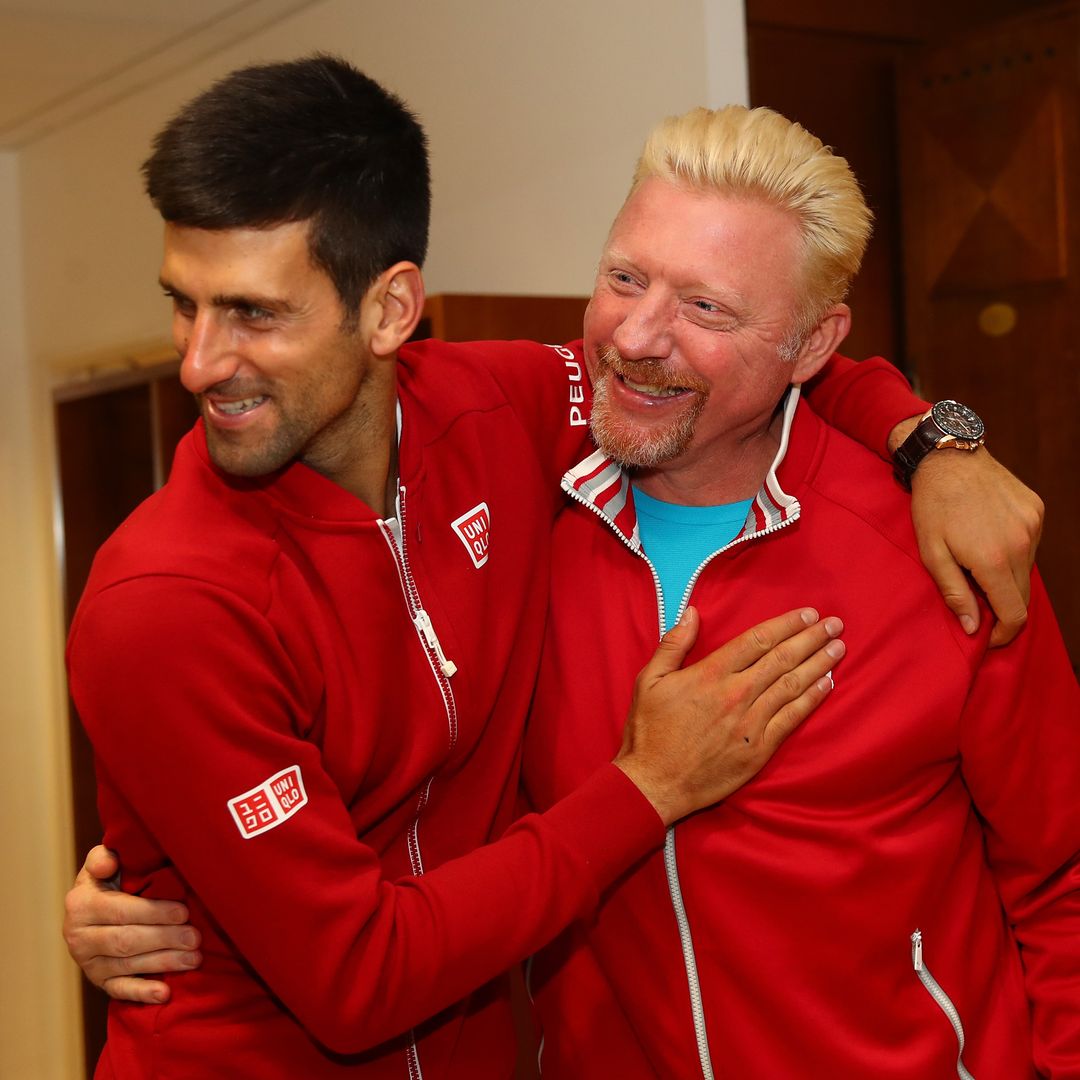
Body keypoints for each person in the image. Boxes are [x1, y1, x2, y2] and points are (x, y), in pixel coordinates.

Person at [61, 58, 1046, 1077]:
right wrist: (649, 784)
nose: (198, 362)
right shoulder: (162, 607)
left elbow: (740, 356)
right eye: (186, 305)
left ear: (393, 310)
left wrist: (937, 441)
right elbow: (356, 975)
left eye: (256, 314)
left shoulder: (496, 412)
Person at [518, 105, 1080, 1077]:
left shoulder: (944, 550)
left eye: (707, 309)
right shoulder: (518, 516)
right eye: (625, 278)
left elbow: (1063, 878)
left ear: (814, 346)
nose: (638, 336)